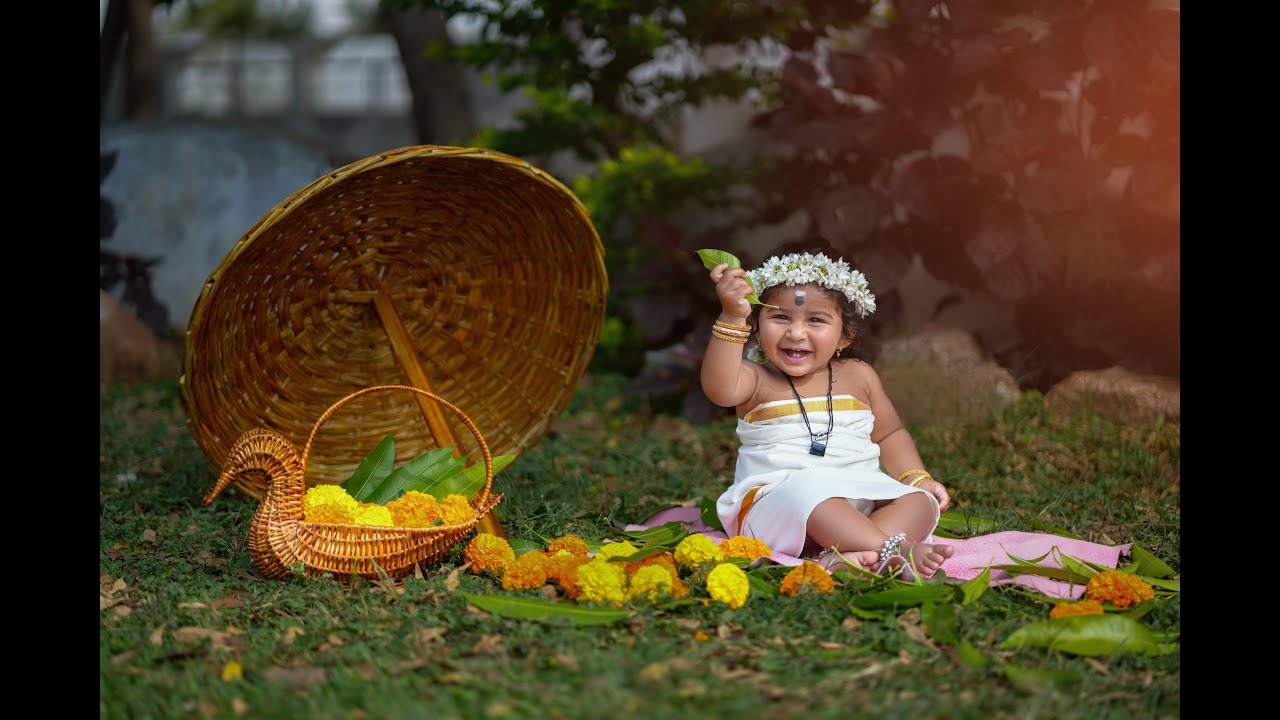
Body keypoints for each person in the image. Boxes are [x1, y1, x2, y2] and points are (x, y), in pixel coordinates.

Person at [702, 244, 955, 578]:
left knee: (920, 502)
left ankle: (850, 554)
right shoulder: (754, 379)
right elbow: (718, 389)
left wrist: (916, 477)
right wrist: (733, 316)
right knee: (810, 493)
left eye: (816, 320)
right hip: (783, 502)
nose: (796, 332)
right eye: (780, 317)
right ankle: (893, 549)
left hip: (857, 498)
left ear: (844, 336)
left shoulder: (859, 376)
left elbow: (890, 432)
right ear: (757, 324)